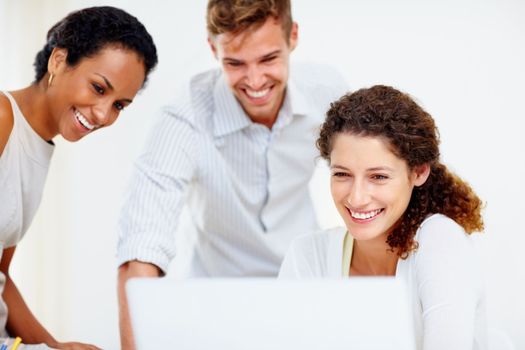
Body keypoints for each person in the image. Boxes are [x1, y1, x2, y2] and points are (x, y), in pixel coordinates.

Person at [116, 0, 348, 348]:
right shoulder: (186, 116)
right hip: (214, 303)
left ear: (293, 36)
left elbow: (372, 185)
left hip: (305, 291)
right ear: (213, 49)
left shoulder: (327, 92)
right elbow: (141, 250)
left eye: (269, 59)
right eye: (235, 63)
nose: (255, 81)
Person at [279, 85, 487, 349]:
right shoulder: (308, 255)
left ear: (419, 172)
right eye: (342, 174)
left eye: (378, 177)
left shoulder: (440, 241)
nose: (356, 198)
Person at [0, 6, 157, 349]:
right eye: (100, 88)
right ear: (58, 61)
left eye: (119, 105)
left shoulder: (38, 145)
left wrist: (56, 346)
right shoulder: (2, 119)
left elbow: (0, 277)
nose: (103, 114)